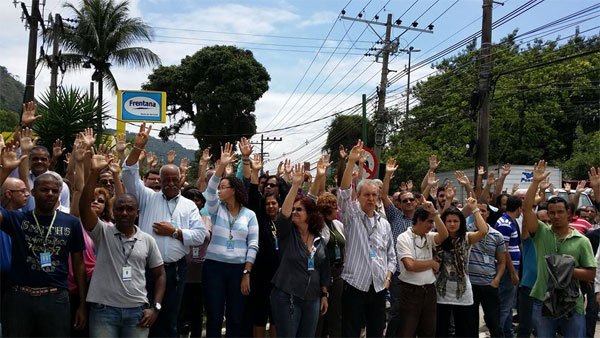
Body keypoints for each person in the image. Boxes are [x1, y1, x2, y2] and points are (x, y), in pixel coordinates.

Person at [122, 123, 206, 338]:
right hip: (146, 268)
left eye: (173, 179)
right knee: (142, 316)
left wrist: (175, 232)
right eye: (165, 179)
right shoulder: (148, 198)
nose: (169, 183)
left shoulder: (188, 205)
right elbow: (129, 173)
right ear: (159, 180)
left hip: (176, 271)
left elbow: (199, 236)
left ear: (180, 180)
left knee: (169, 319)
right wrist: (138, 148)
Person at [80, 154, 166, 337]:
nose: (124, 213)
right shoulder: (102, 232)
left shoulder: (147, 240)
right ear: (113, 211)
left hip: (137, 312)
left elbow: (160, 275)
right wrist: (94, 172)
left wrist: (156, 308)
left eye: (129, 209)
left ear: (137, 213)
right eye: (119, 209)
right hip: (104, 311)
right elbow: (84, 208)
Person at [0, 171, 87, 336]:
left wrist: (82, 304)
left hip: (55, 298)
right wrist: (4, 172)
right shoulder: (17, 219)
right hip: (19, 297)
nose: (50, 194)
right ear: (33, 192)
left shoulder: (71, 223)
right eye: (44, 190)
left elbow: (79, 264)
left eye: (55, 191)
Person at [523, 161, 597, 338]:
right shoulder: (541, 233)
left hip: (573, 304)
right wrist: (534, 183)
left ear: (569, 213)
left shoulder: (581, 240)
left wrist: (565, 270)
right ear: (547, 214)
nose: (556, 216)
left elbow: (590, 274)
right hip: (542, 301)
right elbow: (526, 210)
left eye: (560, 212)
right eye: (552, 212)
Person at [338, 140, 397, 337]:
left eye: (374, 195)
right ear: (360, 196)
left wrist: (387, 278)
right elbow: (344, 193)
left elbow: (391, 256)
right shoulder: (351, 217)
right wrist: (351, 162)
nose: (371, 199)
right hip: (355, 286)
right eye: (366, 195)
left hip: (379, 288)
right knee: (351, 332)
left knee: (376, 332)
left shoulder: (384, 224)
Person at [203, 142, 259, 338]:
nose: (219, 190)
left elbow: (253, 244)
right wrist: (220, 168)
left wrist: (246, 272)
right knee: (214, 316)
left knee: (236, 317)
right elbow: (209, 192)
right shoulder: (216, 208)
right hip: (214, 268)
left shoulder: (249, 215)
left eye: (224, 187)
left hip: (238, 270)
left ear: (234, 190)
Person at [270, 163, 330, 337]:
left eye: (300, 210)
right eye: (293, 209)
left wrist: (324, 294)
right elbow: (284, 215)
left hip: (312, 299)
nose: (295, 212)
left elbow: (323, 269)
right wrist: (296, 185)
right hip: (287, 297)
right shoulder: (287, 234)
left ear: (310, 214)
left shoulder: (318, 237)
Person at [435, 197, 488, 338]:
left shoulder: (467, 237)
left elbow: (483, 231)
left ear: (461, 222)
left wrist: (475, 209)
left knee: (464, 330)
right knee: (440, 330)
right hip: (440, 292)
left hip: (463, 293)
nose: (452, 224)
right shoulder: (436, 238)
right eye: (449, 221)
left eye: (456, 221)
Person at [395, 203, 448, 337]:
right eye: (429, 221)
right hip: (410, 292)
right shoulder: (403, 238)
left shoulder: (429, 237)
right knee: (407, 332)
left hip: (429, 290)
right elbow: (410, 266)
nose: (432, 225)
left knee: (429, 332)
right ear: (418, 220)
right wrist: (431, 263)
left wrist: (435, 213)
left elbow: (444, 235)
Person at [381, 159, 416, 337]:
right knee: (396, 310)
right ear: (399, 204)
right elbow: (384, 195)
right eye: (405, 200)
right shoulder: (395, 216)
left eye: (411, 199)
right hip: (397, 273)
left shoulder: (423, 220)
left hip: (417, 273)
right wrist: (387, 174)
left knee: (413, 312)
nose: (409, 202)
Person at [247, 154, 280, 337]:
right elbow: (253, 196)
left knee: (276, 318)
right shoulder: (259, 220)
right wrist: (255, 171)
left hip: (280, 280)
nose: (271, 207)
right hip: (260, 279)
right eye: (267, 204)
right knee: (259, 318)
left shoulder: (283, 224)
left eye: (274, 203)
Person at [466, 202, 506, 338]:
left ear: (488, 213)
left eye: (483, 210)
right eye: (478, 210)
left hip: (489, 284)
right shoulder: (466, 232)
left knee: (494, 323)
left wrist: (497, 280)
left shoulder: (497, 235)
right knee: (470, 324)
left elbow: (502, 262)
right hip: (470, 285)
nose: (481, 213)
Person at [178, 187, 212, 338]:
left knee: (197, 314)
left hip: (202, 274)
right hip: (182, 272)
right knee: (181, 312)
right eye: (190, 198)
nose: (194, 202)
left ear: (202, 203)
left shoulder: (207, 220)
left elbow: (208, 239)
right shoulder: (179, 219)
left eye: (197, 199)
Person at [315, 191, 345, 338]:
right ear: (327, 208)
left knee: (336, 313)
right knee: (321, 313)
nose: (337, 209)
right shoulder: (319, 226)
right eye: (334, 207)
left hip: (338, 273)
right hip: (324, 274)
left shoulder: (338, 224)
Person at [493, 195, 522, 338]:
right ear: (519, 208)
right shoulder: (505, 224)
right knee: (504, 306)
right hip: (506, 271)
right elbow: (504, 251)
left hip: (510, 269)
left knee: (508, 305)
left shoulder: (510, 221)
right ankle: (498, 333)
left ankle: (507, 333)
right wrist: (512, 272)